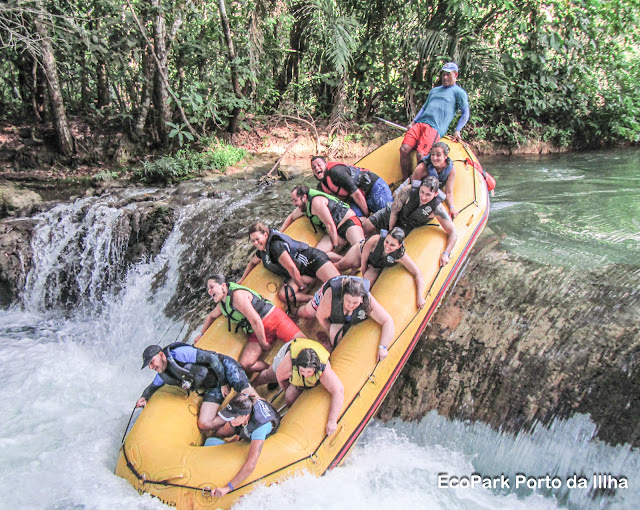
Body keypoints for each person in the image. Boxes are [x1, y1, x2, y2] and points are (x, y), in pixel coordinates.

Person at [194, 274, 304, 375]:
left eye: (211, 287)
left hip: (273, 320)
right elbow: (211, 316)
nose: (209, 291)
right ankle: (276, 371)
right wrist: (201, 334)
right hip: (258, 331)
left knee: (303, 344)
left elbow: (255, 320)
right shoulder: (222, 305)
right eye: (208, 289)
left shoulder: (237, 296)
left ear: (223, 285)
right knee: (246, 364)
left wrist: (263, 343)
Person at [136, 342, 258, 431]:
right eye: (149, 365)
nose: (151, 367)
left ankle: (261, 414)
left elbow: (212, 358)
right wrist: (144, 397)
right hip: (212, 385)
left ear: (161, 355)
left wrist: (223, 383)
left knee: (248, 392)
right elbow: (151, 387)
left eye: (152, 362)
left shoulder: (179, 354)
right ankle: (235, 416)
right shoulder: (163, 374)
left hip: (223, 368)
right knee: (204, 423)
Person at [238, 222, 340, 310]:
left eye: (257, 239)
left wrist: (302, 287)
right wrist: (242, 279)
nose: (255, 243)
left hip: (312, 261)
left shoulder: (275, 247)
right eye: (252, 241)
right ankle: (313, 299)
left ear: (265, 235)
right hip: (302, 272)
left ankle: (345, 260)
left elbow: (292, 268)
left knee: (337, 285)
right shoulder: (263, 251)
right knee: (283, 295)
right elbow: (252, 262)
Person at [252, 338, 344, 436]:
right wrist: (286, 388)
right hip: (289, 352)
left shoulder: (323, 370)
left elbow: (338, 391)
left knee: (291, 398)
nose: (306, 375)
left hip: (309, 355)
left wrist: (332, 421)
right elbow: (280, 377)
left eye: (309, 372)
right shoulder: (289, 363)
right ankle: (253, 384)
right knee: (270, 376)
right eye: (302, 371)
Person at [362, 176, 458, 267]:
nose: (423, 197)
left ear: (435, 194)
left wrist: (446, 253)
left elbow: (453, 233)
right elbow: (394, 212)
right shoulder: (407, 191)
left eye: (428, 194)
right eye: (422, 192)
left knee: (383, 249)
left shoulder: (437, 209)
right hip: (390, 214)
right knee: (365, 227)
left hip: (405, 226)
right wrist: (390, 232)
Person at [399, 62, 470, 178]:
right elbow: (424, 108)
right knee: (404, 149)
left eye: (448, 74)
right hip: (420, 124)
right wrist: (413, 122)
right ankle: (406, 179)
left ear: (455, 75)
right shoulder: (434, 90)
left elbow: (465, 113)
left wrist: (458, 130)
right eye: (443, 75)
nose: (445, 77)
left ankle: (421, 185)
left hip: (434, 128)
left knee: (421, 154)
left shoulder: (459, 93)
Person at [208, 393, 281, 498]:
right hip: (246, 422)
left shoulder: (260, 428)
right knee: (218, 435)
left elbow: (251, 464)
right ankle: (235, 437)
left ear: (245, 416)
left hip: (258, 427)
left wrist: (227, 488)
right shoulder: (242, 411)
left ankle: (237, 437)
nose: (230, 420)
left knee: (228, 431)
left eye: (233, 417)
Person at [335, 227, 426, 309]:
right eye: (387, 242)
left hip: (375, 267)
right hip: (360, 252)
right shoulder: (375, 240)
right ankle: (327, 261)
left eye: (392, 245)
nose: (387, 246)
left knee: (363, 287)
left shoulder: (400, 255)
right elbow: (364, 261)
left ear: (399, 246)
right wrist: (362, 272)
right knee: (341, 265)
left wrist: (420, 297)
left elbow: (418, 273)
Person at [315, 276, 394, 361]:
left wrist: (383, 347)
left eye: (355, 302)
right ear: (342, 297)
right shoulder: (330, 297)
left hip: (354, 318)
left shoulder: (367, 301)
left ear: (361, 299)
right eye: (348, 301)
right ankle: (328, 342)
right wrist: (330, 329)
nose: (351, 305)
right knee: (307, 313)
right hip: (335, 318)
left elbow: (387, 321)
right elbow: (320, 317)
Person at [280, 185, 365, 254]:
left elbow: (330, 225)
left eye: (295, 200)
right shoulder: (303, 207)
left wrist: (335, 247)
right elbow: (291, 217)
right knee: (318, 255)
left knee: (359, 247)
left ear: (304, 197)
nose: (294, 204)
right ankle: (343, 261)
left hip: (347, 223)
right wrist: (280, 233)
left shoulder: (317, 203)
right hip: (335, 233)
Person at [310, 156, 393, 217]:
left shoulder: (336, 172)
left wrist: (367, 215)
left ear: (326, 164)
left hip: (373, 187)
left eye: (319, 165)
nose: (317, 168)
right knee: (353, 218)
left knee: (388, 215)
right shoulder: (321, 187)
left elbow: (357, 194)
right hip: (357, 199)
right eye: (314, 167)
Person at [410, 141, 458, 218]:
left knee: (440, 198)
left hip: (432, 191)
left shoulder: (451, 170)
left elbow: (448, 192)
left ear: (445, 156)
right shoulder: (422, 168)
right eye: (432, 154)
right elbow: (413, 189)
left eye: (438, 155)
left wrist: (451, 207)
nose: (435, 158)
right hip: (417, 187)